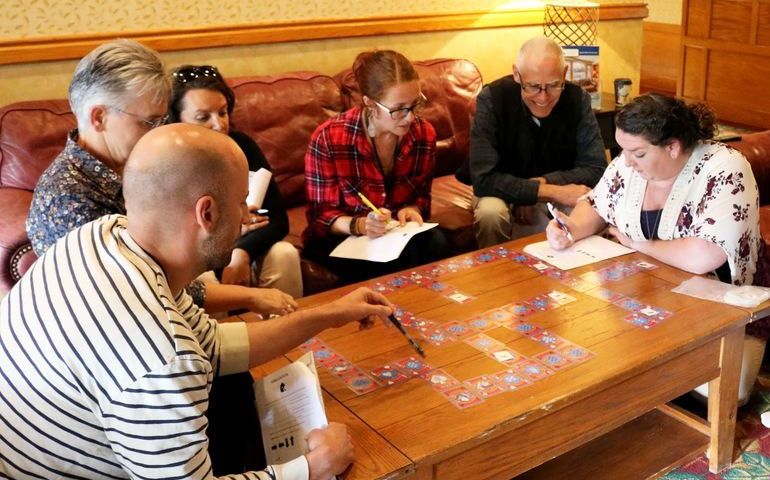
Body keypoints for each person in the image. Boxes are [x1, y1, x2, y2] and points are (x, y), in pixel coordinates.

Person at [0, 124, 394, 479]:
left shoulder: (102, 235)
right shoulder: (161, 358)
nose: (245, 217)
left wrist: (329, 314)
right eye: (241, 202)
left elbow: (213, 346)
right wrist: (312, 467)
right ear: (206, 213)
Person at [25, 39, 296, 317]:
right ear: (99, 118)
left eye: (161, 121)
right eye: (148, 123)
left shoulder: (137, 163)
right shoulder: (67, 201)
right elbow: (145, 289)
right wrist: (251, 296)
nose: (158, 133)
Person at [545, 92, 765, 405]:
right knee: (587, 360)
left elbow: (703, 255)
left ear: (672, 146)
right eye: (622, 150)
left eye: (637, 153)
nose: (626, 161)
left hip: (717, 303)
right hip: (641, 293)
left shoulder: (725, 168)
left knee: (723, 392)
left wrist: (639, 245)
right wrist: (571, 229)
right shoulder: (629, 162)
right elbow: (596, 204)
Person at [303, 49, 451, 284]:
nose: (410, 117)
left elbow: (421, 197)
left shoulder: (423, 134)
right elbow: (320, 217)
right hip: (344, 235)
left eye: (415, 104)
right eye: (399, 109)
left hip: (394, 232)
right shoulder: (329, 138)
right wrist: (360, 225)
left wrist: (412, 209)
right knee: (389, 263)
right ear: (370, 103)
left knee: (438, 243)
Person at [167, 64, 303, 298]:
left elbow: (278, 220)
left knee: (284, 254)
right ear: (176, 119)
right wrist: (230, 233)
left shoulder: (243, 146)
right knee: (204, 280)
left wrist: (242, 251)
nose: (219, 124)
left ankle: (290, 320)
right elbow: (170, 238)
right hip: (195, 258)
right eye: (203, 117)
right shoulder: (165, 160)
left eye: (222, 112)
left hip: (244, 246)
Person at [467, 36, 606, 248]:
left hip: (560, 187)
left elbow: (596, 167)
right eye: (532, 87)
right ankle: (497, 267)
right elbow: (483, 179)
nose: (543, 97)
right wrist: (542, 192)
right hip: (501, 193)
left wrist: (543, 183)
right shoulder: (492, 99)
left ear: (564, 74)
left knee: (590, 209)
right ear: (517, 74)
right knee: (490, 213)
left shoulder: (578, 99)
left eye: (553, 85)